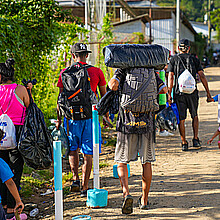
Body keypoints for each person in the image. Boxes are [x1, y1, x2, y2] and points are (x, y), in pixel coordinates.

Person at [108, 68, 167, 214]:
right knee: (146, 162)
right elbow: (164, 90)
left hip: (126, 123)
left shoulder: (123, 69)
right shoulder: (151, 70)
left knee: (121, 161)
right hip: (147, 123)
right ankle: (144, 200)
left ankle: (126, 194)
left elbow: (112, 85)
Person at [56, 43, 109, 197]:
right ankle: (85, 187)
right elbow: (104, 98)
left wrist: (60, 119)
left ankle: (75, 179)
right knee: (88, 153)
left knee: (73, 149)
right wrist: (105, 116)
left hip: (71, 117)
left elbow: (60, 99)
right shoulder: (96, 72)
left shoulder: (64, 73)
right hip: (90, 118)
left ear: (73, 56)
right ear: (86, 55)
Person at [167, 39, 212, 151]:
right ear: (189, 48)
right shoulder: (194, 59)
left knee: (181, 118)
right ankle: (195, 139)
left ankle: (184, 143)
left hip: (179, 93)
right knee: (194, 115)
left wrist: (169, 94)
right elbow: (201, 75)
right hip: (192, 92)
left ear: (178, 48)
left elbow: (171, 77)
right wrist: (208, 93)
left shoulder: (174, 59)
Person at [0, 58, 31, 219]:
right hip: (17, 134)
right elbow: (29, 105)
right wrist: (29, 90)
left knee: (1, 170)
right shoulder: (20, 89)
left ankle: (3, 206)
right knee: (14, 171)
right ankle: (13, 209)